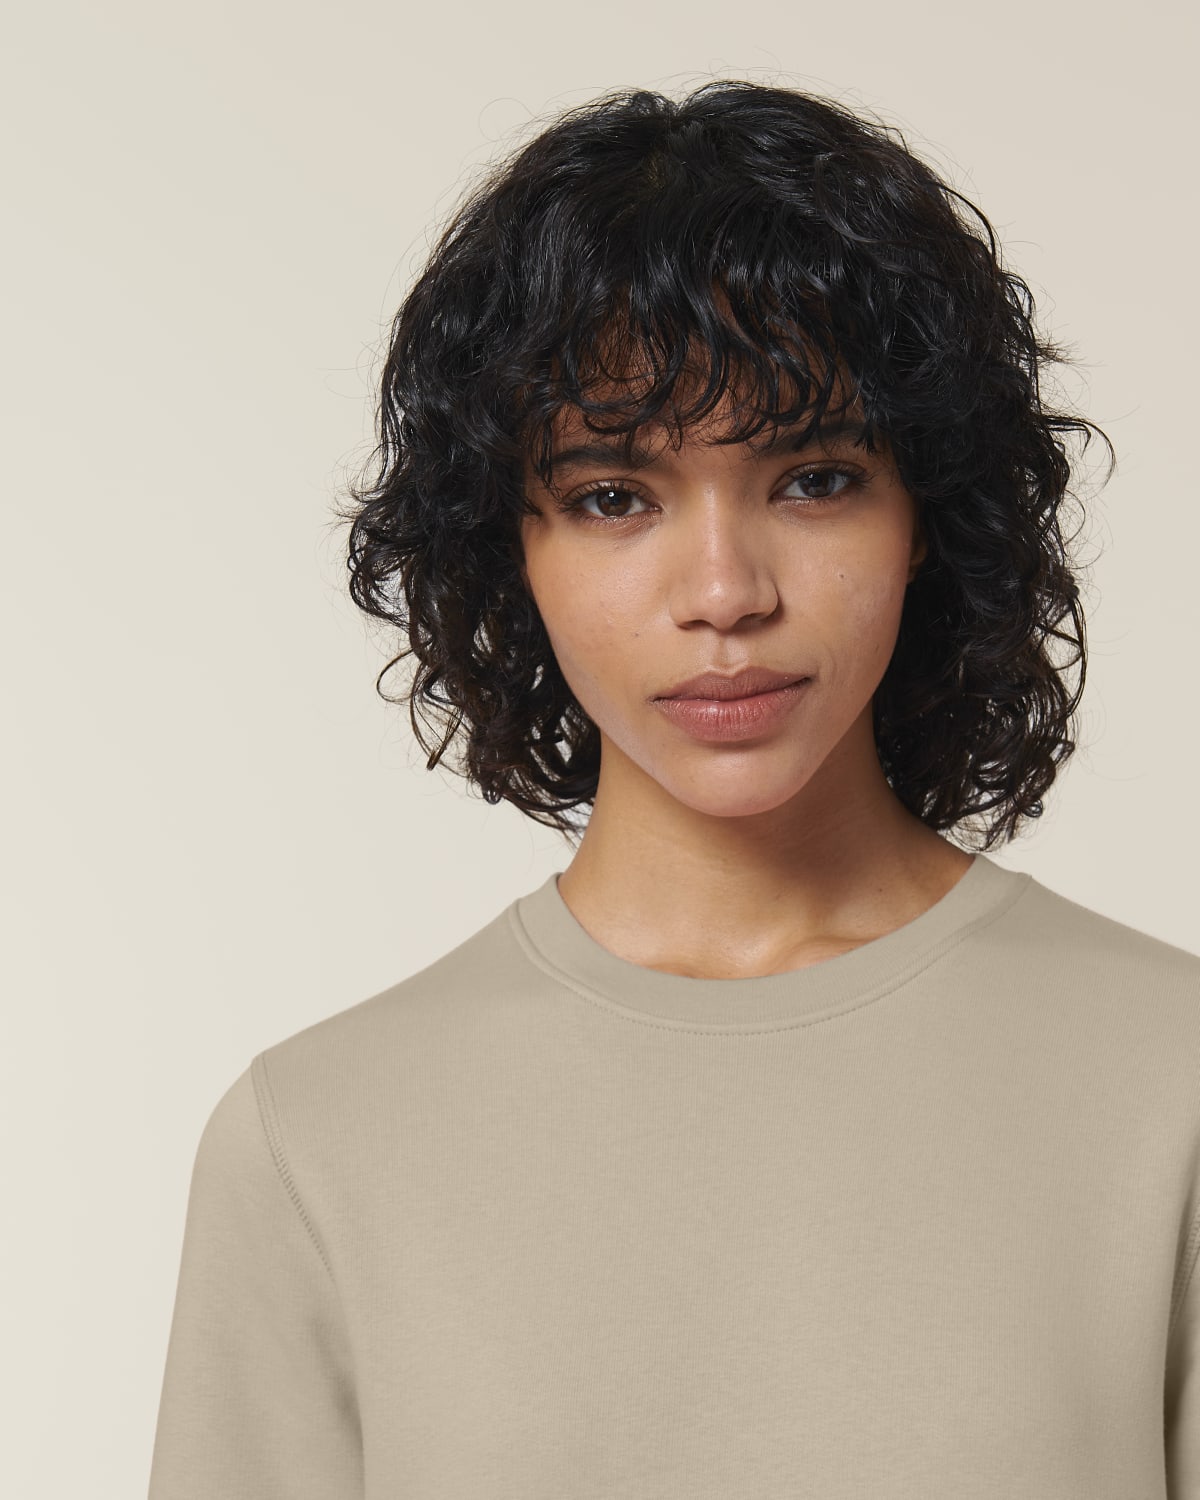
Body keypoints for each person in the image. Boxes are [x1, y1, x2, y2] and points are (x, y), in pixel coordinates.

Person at [147, 80, 1200, 1498]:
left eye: (815, 479)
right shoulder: (316, 1143)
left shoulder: (1170, 1083)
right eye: (613, 497)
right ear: (507, 549)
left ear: (926, 518)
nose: (725, 592)